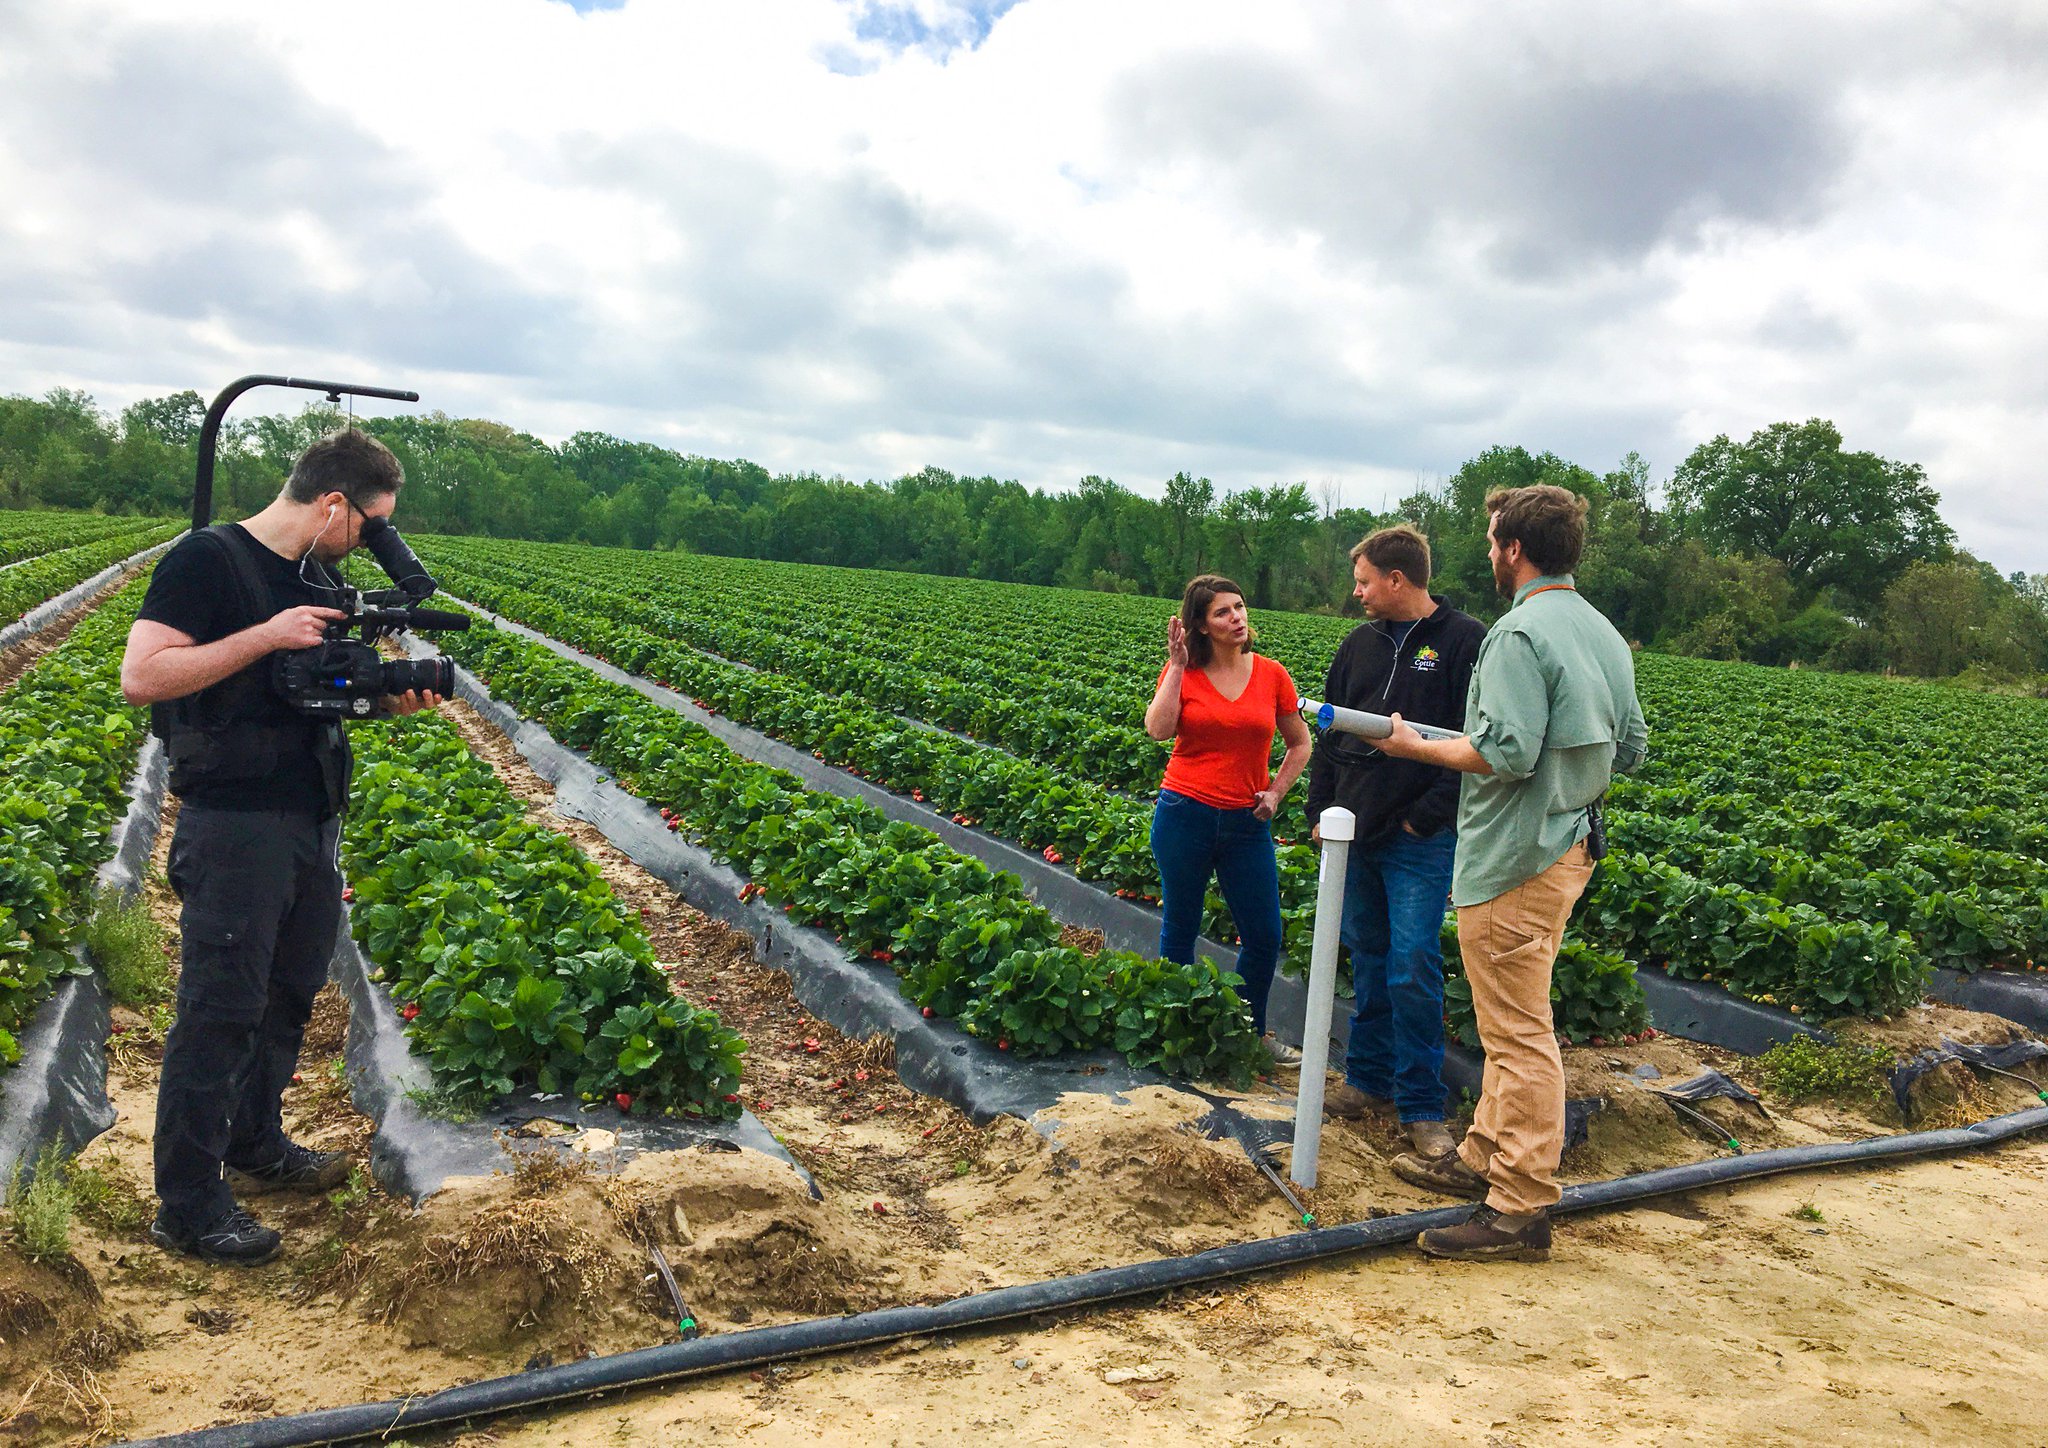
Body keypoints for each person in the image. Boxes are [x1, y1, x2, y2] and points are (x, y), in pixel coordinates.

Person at [120, 429, 441, 1266]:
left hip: (307, 820)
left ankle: (254, 1144)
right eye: (371, 524)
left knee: (287, 994)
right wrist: (265, 634)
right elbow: (144, 676)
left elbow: (311, 695)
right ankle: (187, 1204)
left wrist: (383, 702)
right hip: (233, 825)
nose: (371, 542)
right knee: (220, 1009)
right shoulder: (209, 562)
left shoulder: (320, 576)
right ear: (333, 503)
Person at [1367, 485, 1647, 1262]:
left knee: (1520, 1035)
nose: (1489, 553)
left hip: (1516, 856)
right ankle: (1483, 1153)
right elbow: (1630, 749)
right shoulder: (1603, 634)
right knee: (1508, 1018)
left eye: (1493, 541)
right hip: (1571, 845)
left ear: (1513, 549)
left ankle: (1518, 1205)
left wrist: (1412, 745)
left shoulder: (1518, 636)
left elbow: (1504, 753)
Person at [1304, 526, 1482, 1158]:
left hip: (1416, 839)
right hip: (1354, 829)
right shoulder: (1359, 645)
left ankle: (1422, 1106)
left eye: (1363, 581)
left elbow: (1478, 741)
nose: (1358, 593)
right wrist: (1320, 810)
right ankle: (1367, 1080)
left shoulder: (1465, 643)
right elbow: (1328, 730)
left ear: (1397, 580)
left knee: (1413, 966)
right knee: (1370, 957)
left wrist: (1428, 816)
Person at [1144, 574, 1313, 1064]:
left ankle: (1248, 1030)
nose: (1237, 617)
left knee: (1264, 934)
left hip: (1246, 823)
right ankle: (1178, 1029)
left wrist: (1277, 791)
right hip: (1185, 813)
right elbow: (1157, 730)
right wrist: (1176, 667)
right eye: (1223, 612)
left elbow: (1300, 743)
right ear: (1201, 624)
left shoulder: (1272, 674)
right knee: (1181, 926)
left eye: (1239, 607)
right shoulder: (1184, 672)